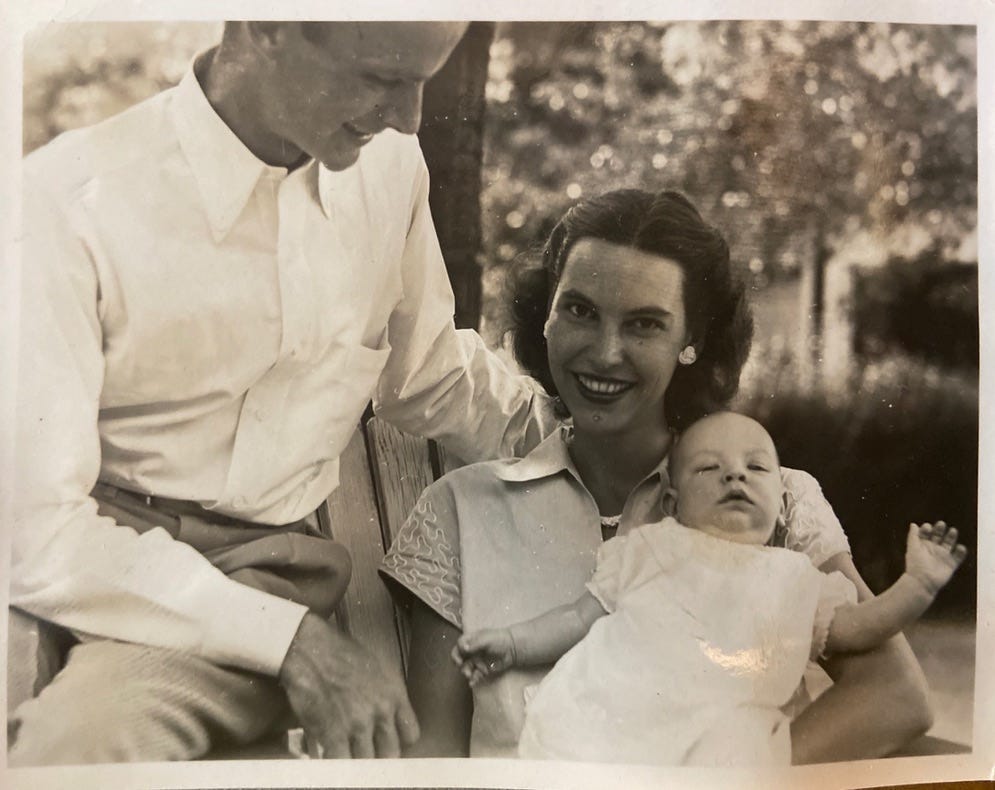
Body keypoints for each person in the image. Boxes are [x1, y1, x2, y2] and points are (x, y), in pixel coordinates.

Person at [11, 22, 555, 765]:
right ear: (262, 26)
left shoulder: (389, 170)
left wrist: (591, 447)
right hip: (102, 572)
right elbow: (33, 531)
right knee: (65, 745)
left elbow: (430, 374)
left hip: (271, 579)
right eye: (380, 77)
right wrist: (293, 644)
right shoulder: (65, 204)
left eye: (424, 80)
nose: (411, 118)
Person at [380, 188, 935, 761]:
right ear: (545, 316)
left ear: (691, 342)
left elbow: (894, 695)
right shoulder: (461, 511)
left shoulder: (774, 504)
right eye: (579, 310)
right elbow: (435, 757)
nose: (605, 352)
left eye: (644, 324)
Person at [453, 411, 967, 766]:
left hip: (720, 738)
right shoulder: (650, 548)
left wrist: (917, 584)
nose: (734, 477)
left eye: (756, 468)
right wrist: (514, 642)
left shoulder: (793, 579)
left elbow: (859, 628)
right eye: (709, 469)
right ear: (673, 504)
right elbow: (579, 617)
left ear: (782, 506)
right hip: (617, 717)